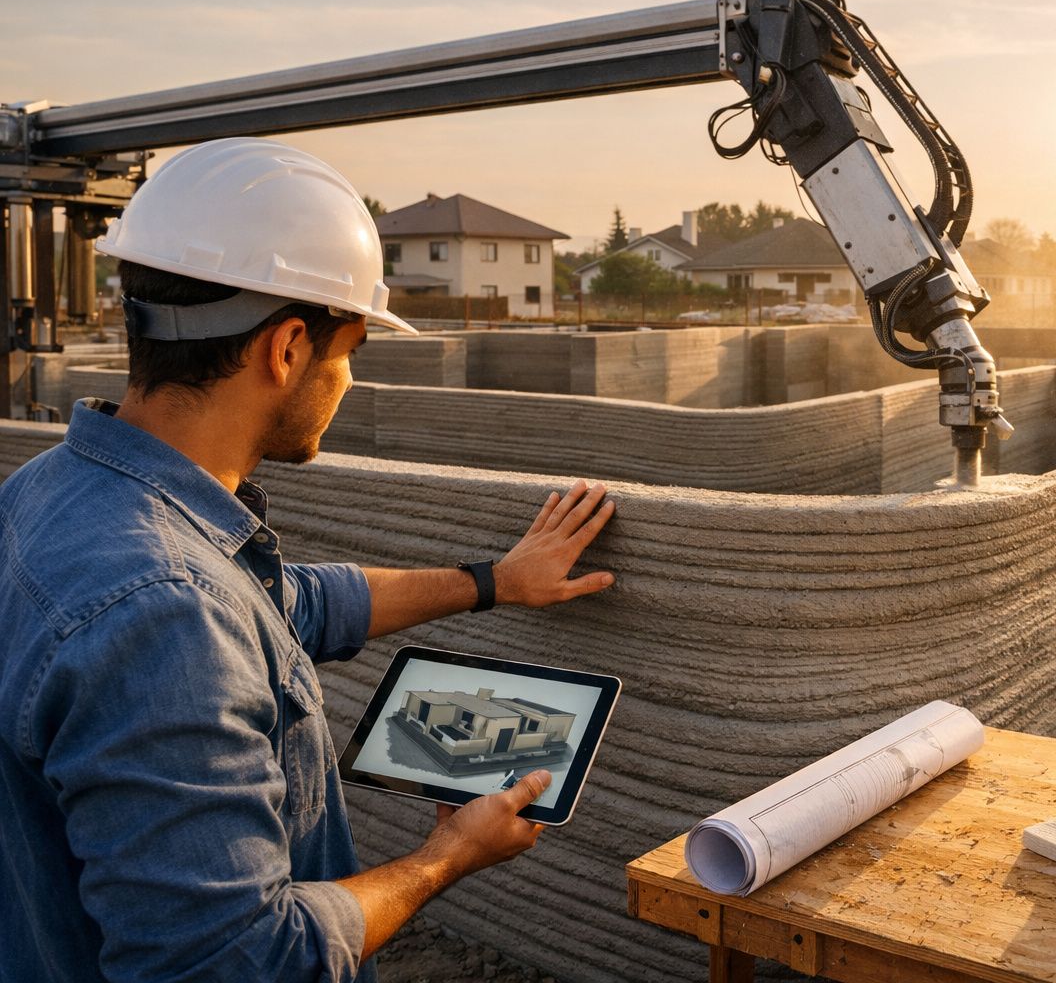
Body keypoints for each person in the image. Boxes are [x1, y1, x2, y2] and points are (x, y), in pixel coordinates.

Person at [0, 138, 616, 982]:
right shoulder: (167, 613)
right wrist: (447, 856)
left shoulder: (50, 493)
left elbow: (288, 604)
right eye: (350, 349)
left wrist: (493, 582)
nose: (351, 381)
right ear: (287, 348)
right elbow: (238, 960)